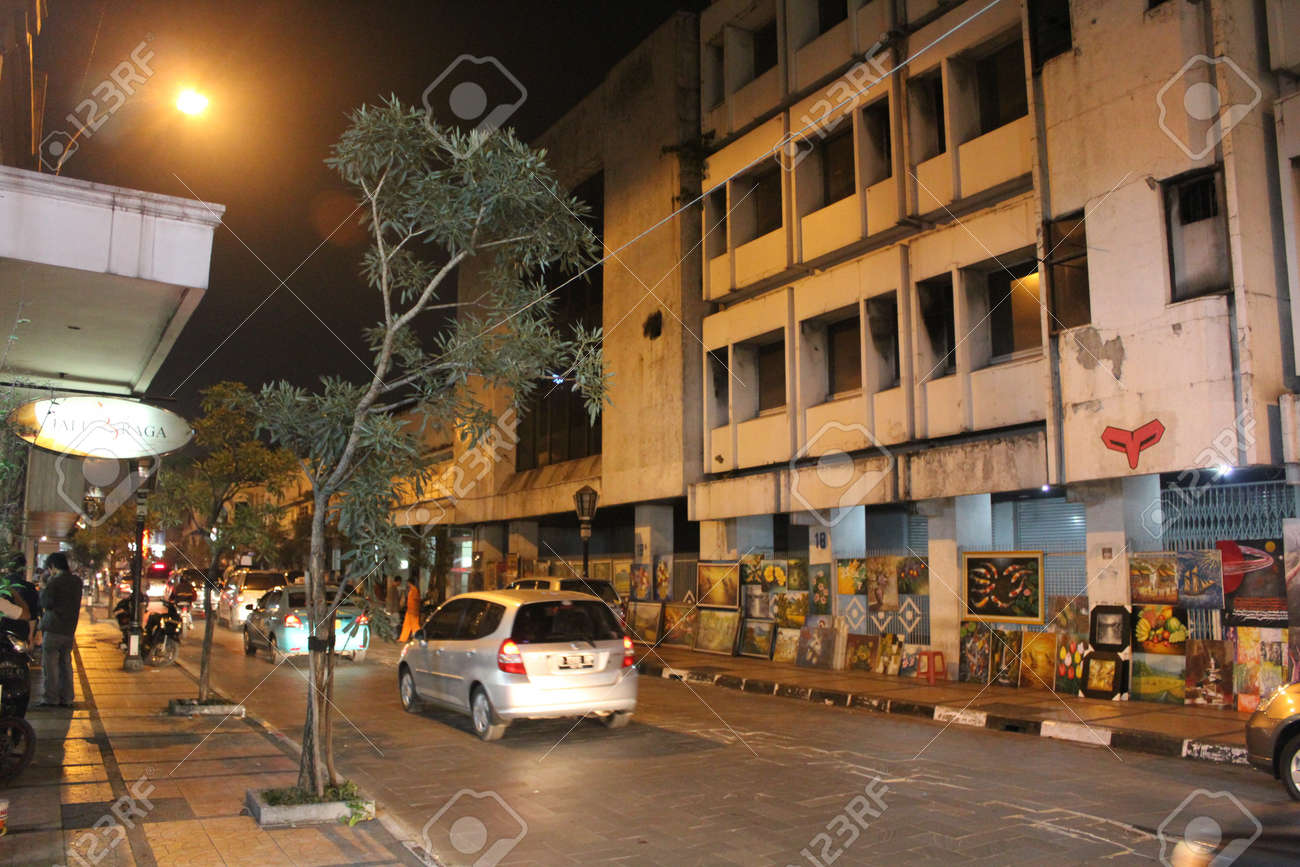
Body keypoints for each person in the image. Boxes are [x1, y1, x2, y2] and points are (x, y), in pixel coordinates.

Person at [37, 552, 83, 708]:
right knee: (66, 664)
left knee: (50, 666)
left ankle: (51, 698)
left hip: (54, 628)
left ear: (53, 567)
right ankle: (67, 697)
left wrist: (43, 587)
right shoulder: (77, 582)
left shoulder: (54, 582)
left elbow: (45, 603)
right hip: (69, 629)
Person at [1, 553, 39, 641]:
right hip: (22, 632)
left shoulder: (2, 586)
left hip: (5, 633)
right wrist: (31, 636)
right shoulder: (29, 587)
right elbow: (32, 614)